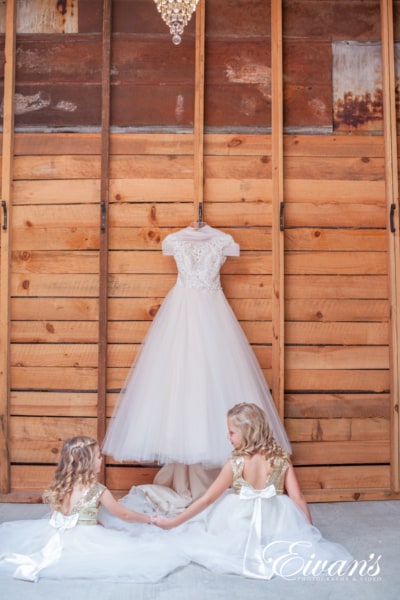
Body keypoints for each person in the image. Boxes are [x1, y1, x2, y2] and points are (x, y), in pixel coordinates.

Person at [102, 224, 291, 506]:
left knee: (211, 382)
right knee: (180, 382)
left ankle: (208, 481)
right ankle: (189, 477)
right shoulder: (174, 241)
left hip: (214, 321)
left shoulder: (223, 242)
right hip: (181, 318)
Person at [155, 403, 353, 580]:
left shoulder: (235, 462)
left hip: (240, 523)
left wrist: (174, 522)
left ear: (248, 432)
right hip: (276, 521)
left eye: (232, 432)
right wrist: (310, 534)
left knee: (207, 531)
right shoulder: (280, 458)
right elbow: (297, 498)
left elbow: (207, 500)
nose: (227, 437)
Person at [0, 436, 188, 583]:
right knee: (129, 553)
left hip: (54, 533)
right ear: (87, 463)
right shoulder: (98, 490)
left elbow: (55, 515)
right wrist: (150, 519)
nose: (101, 459)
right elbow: (123, 514)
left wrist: (88, 519)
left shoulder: (60, 486)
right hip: (85, 538)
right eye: (98, 456)